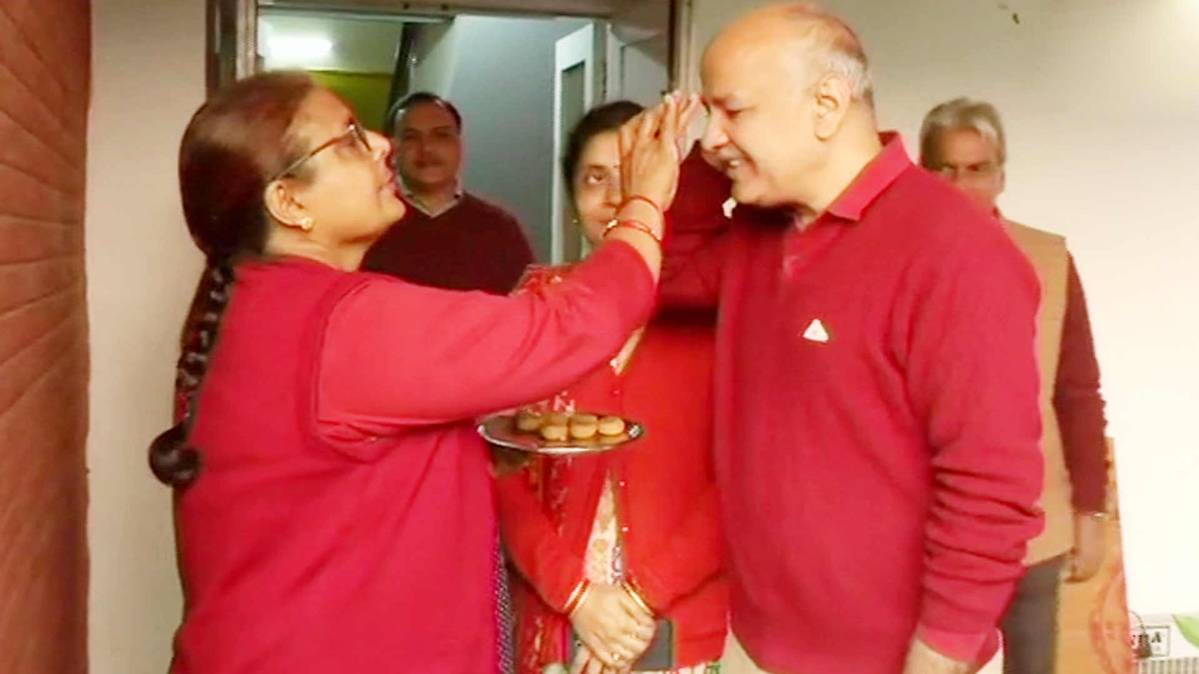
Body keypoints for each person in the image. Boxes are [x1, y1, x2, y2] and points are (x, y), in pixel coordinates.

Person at [149, 71, 682, 673]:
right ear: (289, 202)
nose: (383, 144)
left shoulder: (257, 305)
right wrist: (645, 201)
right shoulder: (342, 323)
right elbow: (572, 325)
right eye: (349, 139)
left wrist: (468, 454)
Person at [659, 4, 1046, 673]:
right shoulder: (758, 230)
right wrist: (703, 162)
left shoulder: (956, 252)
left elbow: (990, 488)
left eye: (732, 111)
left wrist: (939, 656)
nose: (713, 136)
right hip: (753, 644)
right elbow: (658, 281)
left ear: (826, 104)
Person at [496, 101, 727, 674]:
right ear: (572, 198)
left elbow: (742, 485)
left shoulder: (717, 315)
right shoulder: (536, 306)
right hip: (557, 618)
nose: (613, 199)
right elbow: (499, 472)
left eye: (632, 178)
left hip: (677, 622)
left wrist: (636, 601)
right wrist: (578, 597)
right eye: (594, 179)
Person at [920, 97, 1110, 674]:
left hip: (1034, 524)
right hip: (928, 527)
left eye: (977, 168)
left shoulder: (1048, 258)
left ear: (1001, 175)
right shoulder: (898, 261)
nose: (961, 184)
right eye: (945, 169)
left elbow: (1078, 393)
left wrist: (1090, 513)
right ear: (923, 176)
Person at [360, 92, 535, 294]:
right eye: (411, 138)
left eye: (441, 135)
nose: (427, 148)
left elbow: (523, 307)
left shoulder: (500, 228)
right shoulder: (369, 224)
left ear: (459, 145)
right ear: (391, 148)